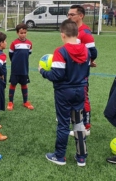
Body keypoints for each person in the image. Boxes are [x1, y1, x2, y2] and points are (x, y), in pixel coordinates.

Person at [40, 19, 90, 167]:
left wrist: (42, 71)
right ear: (77, 33)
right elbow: (86, 72)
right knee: (78, 123)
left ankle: (59, 156)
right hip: (80, 91)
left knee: (63, 124)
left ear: (63, 35)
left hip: (64, 93)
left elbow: (57, 75)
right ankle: (81, 157)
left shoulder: (60, 51)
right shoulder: (86, 50)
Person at [67, 5, 97, 136]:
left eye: (72, 14)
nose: (69, 17)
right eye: (68, 14)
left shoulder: (85, 33)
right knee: (72, 95)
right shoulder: (72, 30)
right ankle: (74, 120)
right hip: (72, 70)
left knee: (83, 97)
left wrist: (87, 61)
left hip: (80, 72)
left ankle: (86, 127)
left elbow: (93, 52)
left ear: (81, 16)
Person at [7, 23, 34, 111]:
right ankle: (10, 102)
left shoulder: (29, 43)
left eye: (25, 32)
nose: (23, 34)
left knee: (24, 84)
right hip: (15, 68)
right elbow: (10, 54)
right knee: (13, 84)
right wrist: (15, 62)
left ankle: (25, 101)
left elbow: (29, 53)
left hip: (24, 68)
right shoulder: (14, 43)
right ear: (17, 33)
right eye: (21, 33)